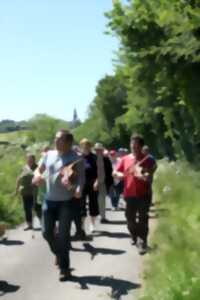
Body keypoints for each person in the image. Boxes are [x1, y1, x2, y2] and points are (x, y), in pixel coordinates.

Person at [32, 129, 85, 281]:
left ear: (68, 142)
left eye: (59, 139)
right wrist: (37, 177)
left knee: (63, 237)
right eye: (55, 139)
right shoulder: (49, 155)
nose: (56, 141)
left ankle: (65, 268)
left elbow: (80, 181)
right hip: (49, 200)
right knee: (46, 233)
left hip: (66, 203)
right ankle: (59, 254)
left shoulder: (77, 159)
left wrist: (77, 191)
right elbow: (38, 170)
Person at [114, 134, 156, 254]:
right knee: (130, 219)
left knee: (143, 218)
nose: (134, 148)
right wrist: (119, 174)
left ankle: (142, 242)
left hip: (143, 194)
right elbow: (115, 171)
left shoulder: (148, 159)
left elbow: (150, 174)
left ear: (141, 147)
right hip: (129, 194)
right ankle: (134, 234)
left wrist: (144, 175)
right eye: (132, 145)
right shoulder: (125, 159)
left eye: (136, 146)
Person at [16, 154, 41, 230]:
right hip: (25, 192)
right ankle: (29, 224)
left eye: (31, 159)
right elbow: (19, 178)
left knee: (37, 208)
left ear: (34, 160)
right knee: (27, 209)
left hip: (35, 192)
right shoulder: (24, 168)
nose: (29, 161)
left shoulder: (38, 167)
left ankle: (44, 222)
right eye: (28, 159)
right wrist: (17, 188)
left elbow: (41, 177)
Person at [79, 138, 99, 233]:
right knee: (81, 204)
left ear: (90, 147)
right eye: (83, 145)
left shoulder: (95, 157)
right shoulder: (78, 157)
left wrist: (97, 182)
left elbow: (100, 172)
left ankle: (92, 224)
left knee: (93, 203)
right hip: (82, 184)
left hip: (93, 183)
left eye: (87, 145)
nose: (85, 147)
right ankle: (82, 226)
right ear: (81, 147)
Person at [94, 143, 113, 223]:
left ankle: (102, 217)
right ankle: (94, 217)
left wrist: (110, 183)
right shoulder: (92, 158)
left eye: (99, 150)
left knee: (102, 200)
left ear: (102, 150)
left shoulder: (106, 159)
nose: (98, 151)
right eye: (96, 150)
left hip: (103, 182)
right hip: (93, 182)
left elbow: (110, 171)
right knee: (94, 201)